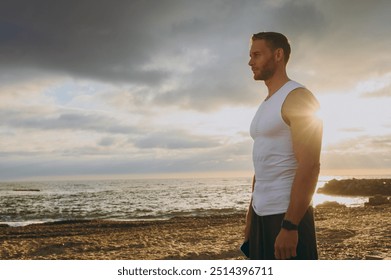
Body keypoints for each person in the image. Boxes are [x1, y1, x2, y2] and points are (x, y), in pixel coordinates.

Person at [244, 32, 322, 260]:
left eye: (257, 55)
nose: (250, 62)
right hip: (261, 214)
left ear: (278, 55)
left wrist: (290, 226)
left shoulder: (298, 97)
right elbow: (262, 164)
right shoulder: (266, 103)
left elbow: (310, 165)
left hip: (286, 216)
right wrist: (250, 219)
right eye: (250, 56)